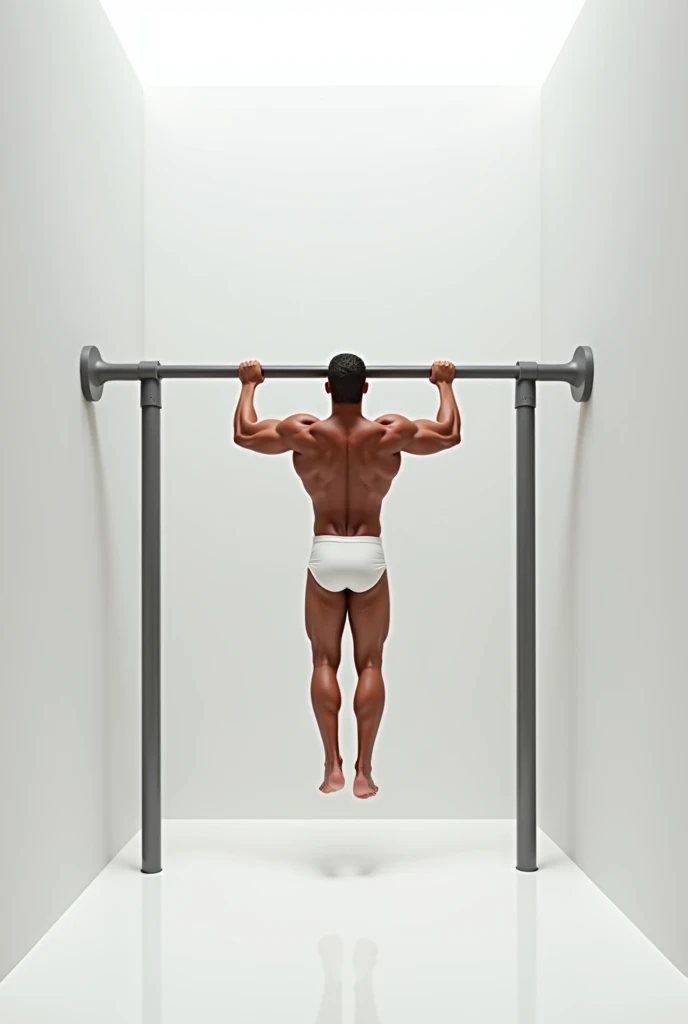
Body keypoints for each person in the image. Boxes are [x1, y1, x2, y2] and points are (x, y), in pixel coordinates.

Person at [233, 353, 461, 798]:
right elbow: (450, 433)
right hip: (368, 551)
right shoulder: (388, 433)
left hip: (325, 550)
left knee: (323, 662)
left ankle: (331, 764)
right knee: (370, 663)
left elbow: (244, 433)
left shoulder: (305, 432)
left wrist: (249, 384)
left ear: (326, 390)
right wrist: (444, 384)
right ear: (366, 389)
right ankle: (364, 771)